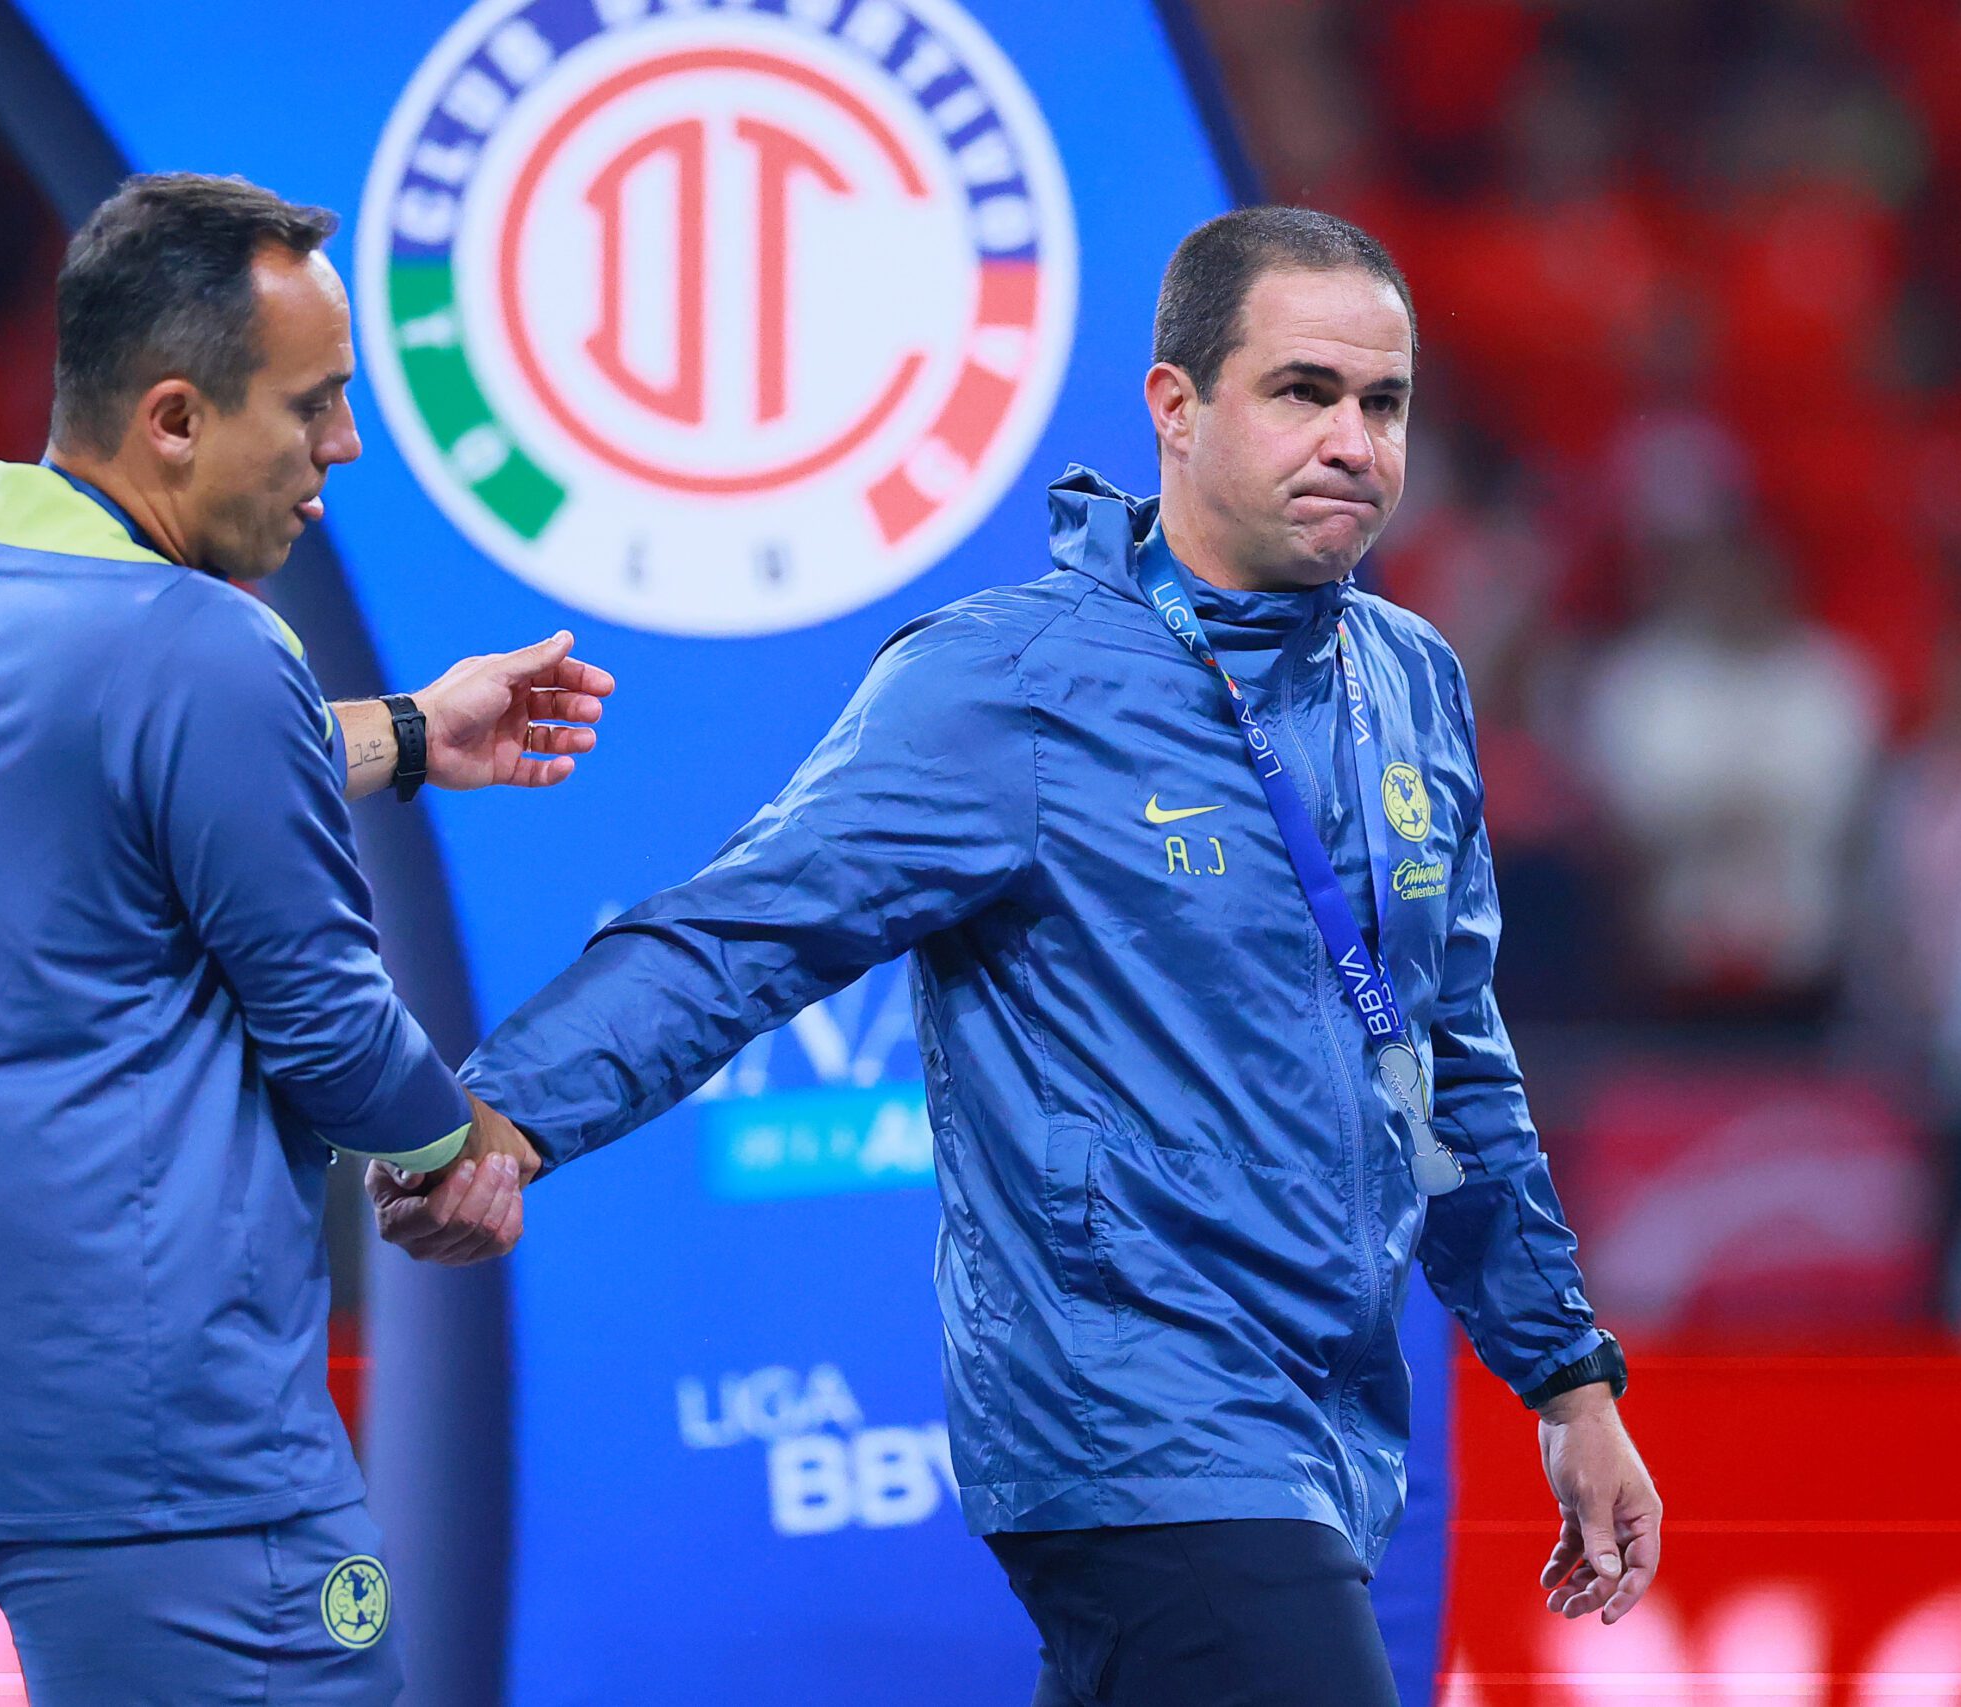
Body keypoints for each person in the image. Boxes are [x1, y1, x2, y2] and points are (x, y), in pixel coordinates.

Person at [379, 207, 1661, 1706]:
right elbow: (748, 927)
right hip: (1132, 1418)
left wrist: (1568, 1379)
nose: (1353, 442)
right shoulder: (1012, 683)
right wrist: (511, 1112)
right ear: (1176, 406)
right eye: (1303, 391)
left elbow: (1447, 1066)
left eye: (1383, 404)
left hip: (1325, 1434)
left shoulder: (1413, 682)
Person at [0, 172, 607, 1705]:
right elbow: (336, 1032)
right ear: (176, 419)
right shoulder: (201, 647)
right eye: (312, 404)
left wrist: (407, 729)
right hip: (184, 1453)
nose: (345, 446)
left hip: (6, 1430)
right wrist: (462, 1150)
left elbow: (131, 790)